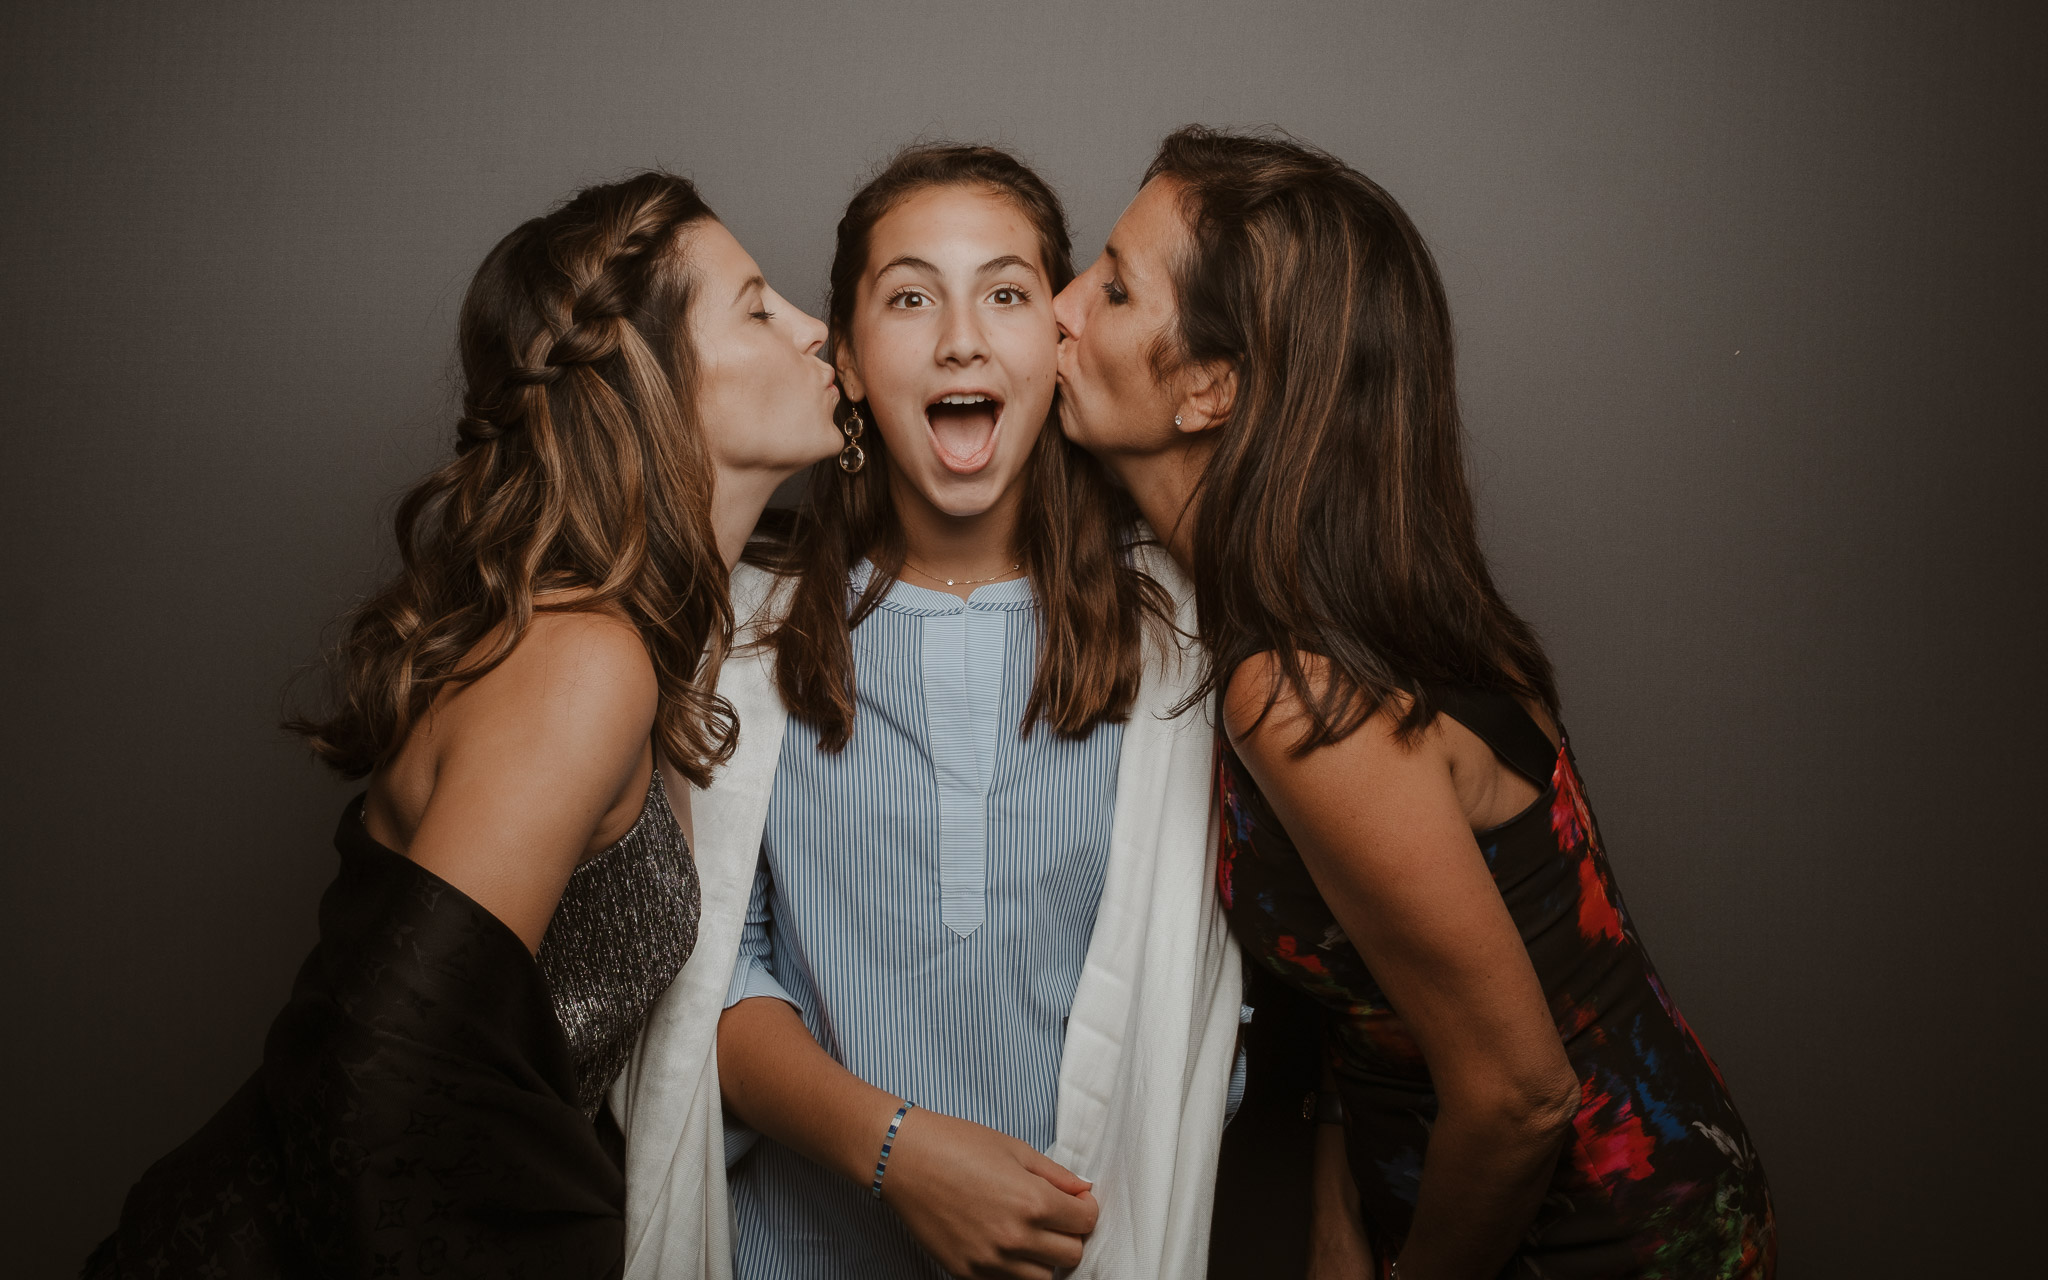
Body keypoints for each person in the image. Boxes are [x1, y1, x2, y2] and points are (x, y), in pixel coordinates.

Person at [85, 170, 841, 1280]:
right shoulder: (586, 657)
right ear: (650, 379)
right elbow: (383, 1072)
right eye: (757, 304)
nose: (811, 325)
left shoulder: (647, 648)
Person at [1053, 126, 1777, 1280]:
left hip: (1608, 1241)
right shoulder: (1316, 612)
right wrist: (1340, 1228)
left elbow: (1521, 1096)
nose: (1058, 306)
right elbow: (1378, 975)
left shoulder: (1296, 688)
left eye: (1110, 284)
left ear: (1208, 387)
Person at [613, 144, 1242, 1280]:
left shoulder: (1176, 635)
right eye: (910, 297)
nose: (960, 336)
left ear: (1055, 347)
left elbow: (1247, 976)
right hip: (795, 1247)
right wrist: (895, 1152)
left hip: (1086, 1252)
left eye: (1005, 293)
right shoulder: (744, 634)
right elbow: (705, 975)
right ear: (846, 361)